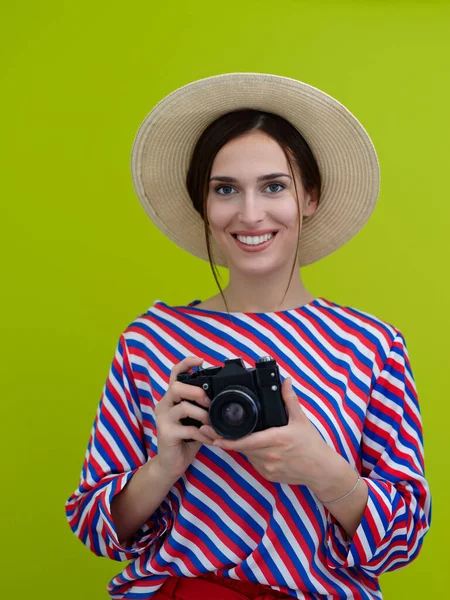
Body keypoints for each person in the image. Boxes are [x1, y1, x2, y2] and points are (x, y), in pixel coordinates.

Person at [65, 73, 431, 600]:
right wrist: (165, 464)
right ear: (204, 205)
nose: (250, 213)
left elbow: (405, 541)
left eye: (274, 186)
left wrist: (323, 469)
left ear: (309, 196)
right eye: (225, 189)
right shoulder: (150, 341)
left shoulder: (372, 345)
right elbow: (97, 528)